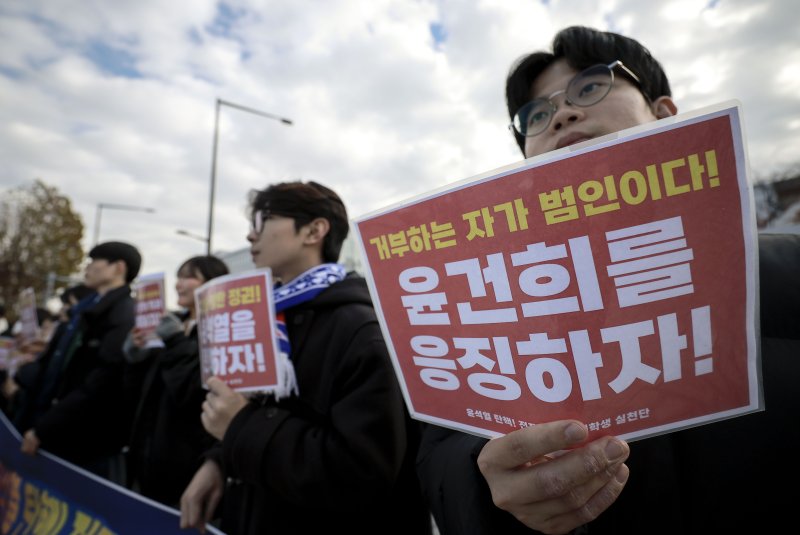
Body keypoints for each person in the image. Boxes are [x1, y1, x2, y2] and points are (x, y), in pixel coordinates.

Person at [416, 26, 800, 534]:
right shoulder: (483, 304)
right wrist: (487, 487)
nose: (562, 114)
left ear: (663, 112)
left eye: (591, 86)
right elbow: (444, 451)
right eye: (536, 114)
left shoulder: (790, 269)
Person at [180, 181, 431, 534]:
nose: (251, 236)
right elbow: (259, 413)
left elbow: (361, 473)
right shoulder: (266, 316)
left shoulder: (361, 329)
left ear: (314, 230)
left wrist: (240, 428)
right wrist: (220, 462)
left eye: (263, 220)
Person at [15, 241, 141, 483]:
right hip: (51, 425)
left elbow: (99, 382)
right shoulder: (83, 312)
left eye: (94, 261)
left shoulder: (123, 315)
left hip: (76, 438)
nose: (88, 268)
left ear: (118, 267)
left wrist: (46, 428)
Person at [122, 255, 229, 508]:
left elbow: (189, 392)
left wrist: (176, 341)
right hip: (148, 450)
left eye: (189, 277)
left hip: (185, 462)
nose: (179, 284)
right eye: (178, 277)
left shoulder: (220, 330)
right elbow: (144, 390)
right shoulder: (172, 325)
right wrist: (135, 355)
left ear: (212, 283)